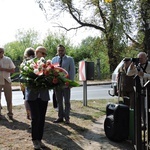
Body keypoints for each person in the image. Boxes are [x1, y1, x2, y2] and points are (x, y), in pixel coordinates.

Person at [24, 46, 50, 149]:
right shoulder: (28, 63)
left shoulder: (47, 65)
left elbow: (51, 77)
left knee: (42, 118)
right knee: (36, 118)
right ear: (37, 52)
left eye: (45, 54)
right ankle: (35, 140)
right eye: (42, 53)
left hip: (43, 96)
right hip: (32, 96)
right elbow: (23, 78)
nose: (44, 56)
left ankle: (40, 139)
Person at [52, 44, 75, 124]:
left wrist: (71, 83)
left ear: (64, 51)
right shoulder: (54, 59)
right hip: (57, 84)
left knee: (67, 102)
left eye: (62, 50)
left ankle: (67, 118)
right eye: (59, 50)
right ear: (57, 51)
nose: (60, 52)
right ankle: (60, 117)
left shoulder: (70, 59)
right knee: (59, 101)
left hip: (66, 84)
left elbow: (72, 71)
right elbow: (52, 71)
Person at [127, 52, 150, 127]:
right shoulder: (137, 66)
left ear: (146, 58)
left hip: (148, 88)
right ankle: (145, 123)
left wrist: (144, 75)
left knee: (147, 107)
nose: (140, 60)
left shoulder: (149, 65)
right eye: (139, 58)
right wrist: (131, 65)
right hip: (141, 89)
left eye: (141, 58)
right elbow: (129, 73)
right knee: (142, 107)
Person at [0, 47, 15, 120]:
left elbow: (13, 70)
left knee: (9, 98)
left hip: (6, 80)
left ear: (3, 52)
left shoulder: (8, 59)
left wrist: (3, 69)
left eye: (0, 52)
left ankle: (10, 113)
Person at [20, 47, 35, 120]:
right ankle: (31, 114)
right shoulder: (35, 61)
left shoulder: (24, 62)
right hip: (33, 84)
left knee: (26, 99)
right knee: (31, 100)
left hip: (25, 84)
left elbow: (21, 74)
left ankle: (28, 113)